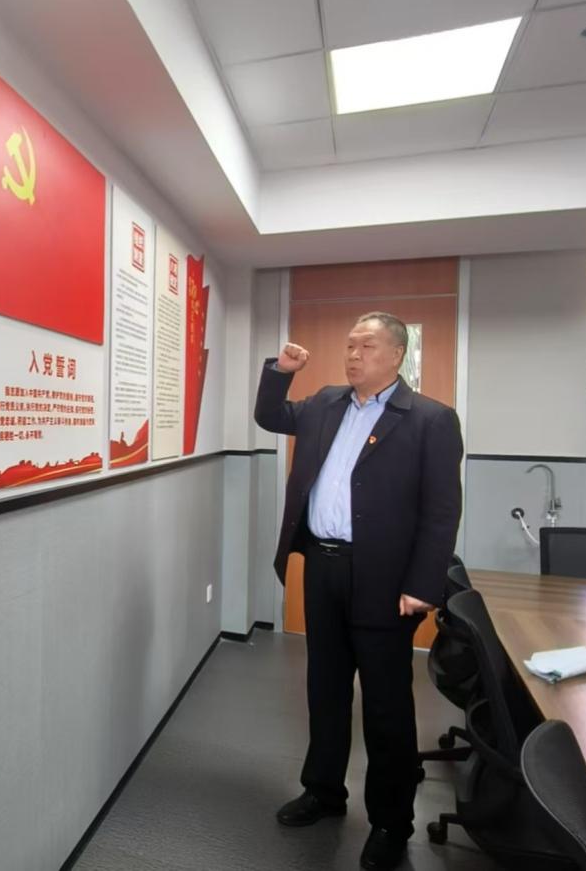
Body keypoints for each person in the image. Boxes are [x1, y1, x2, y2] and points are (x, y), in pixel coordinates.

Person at [254, 312, 463, 871]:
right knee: (324, 689)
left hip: (386, 582)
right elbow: (270, 416)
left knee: (386, 705)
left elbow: (442, 512)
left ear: (396, 354)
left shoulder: (430, 419)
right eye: (349, 345)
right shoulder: (325, 403)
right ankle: (323, 791)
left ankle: (391, 822)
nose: (353, 355)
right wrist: (281, 372)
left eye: (366, 346)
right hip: (322, 569)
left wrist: (423, 585)